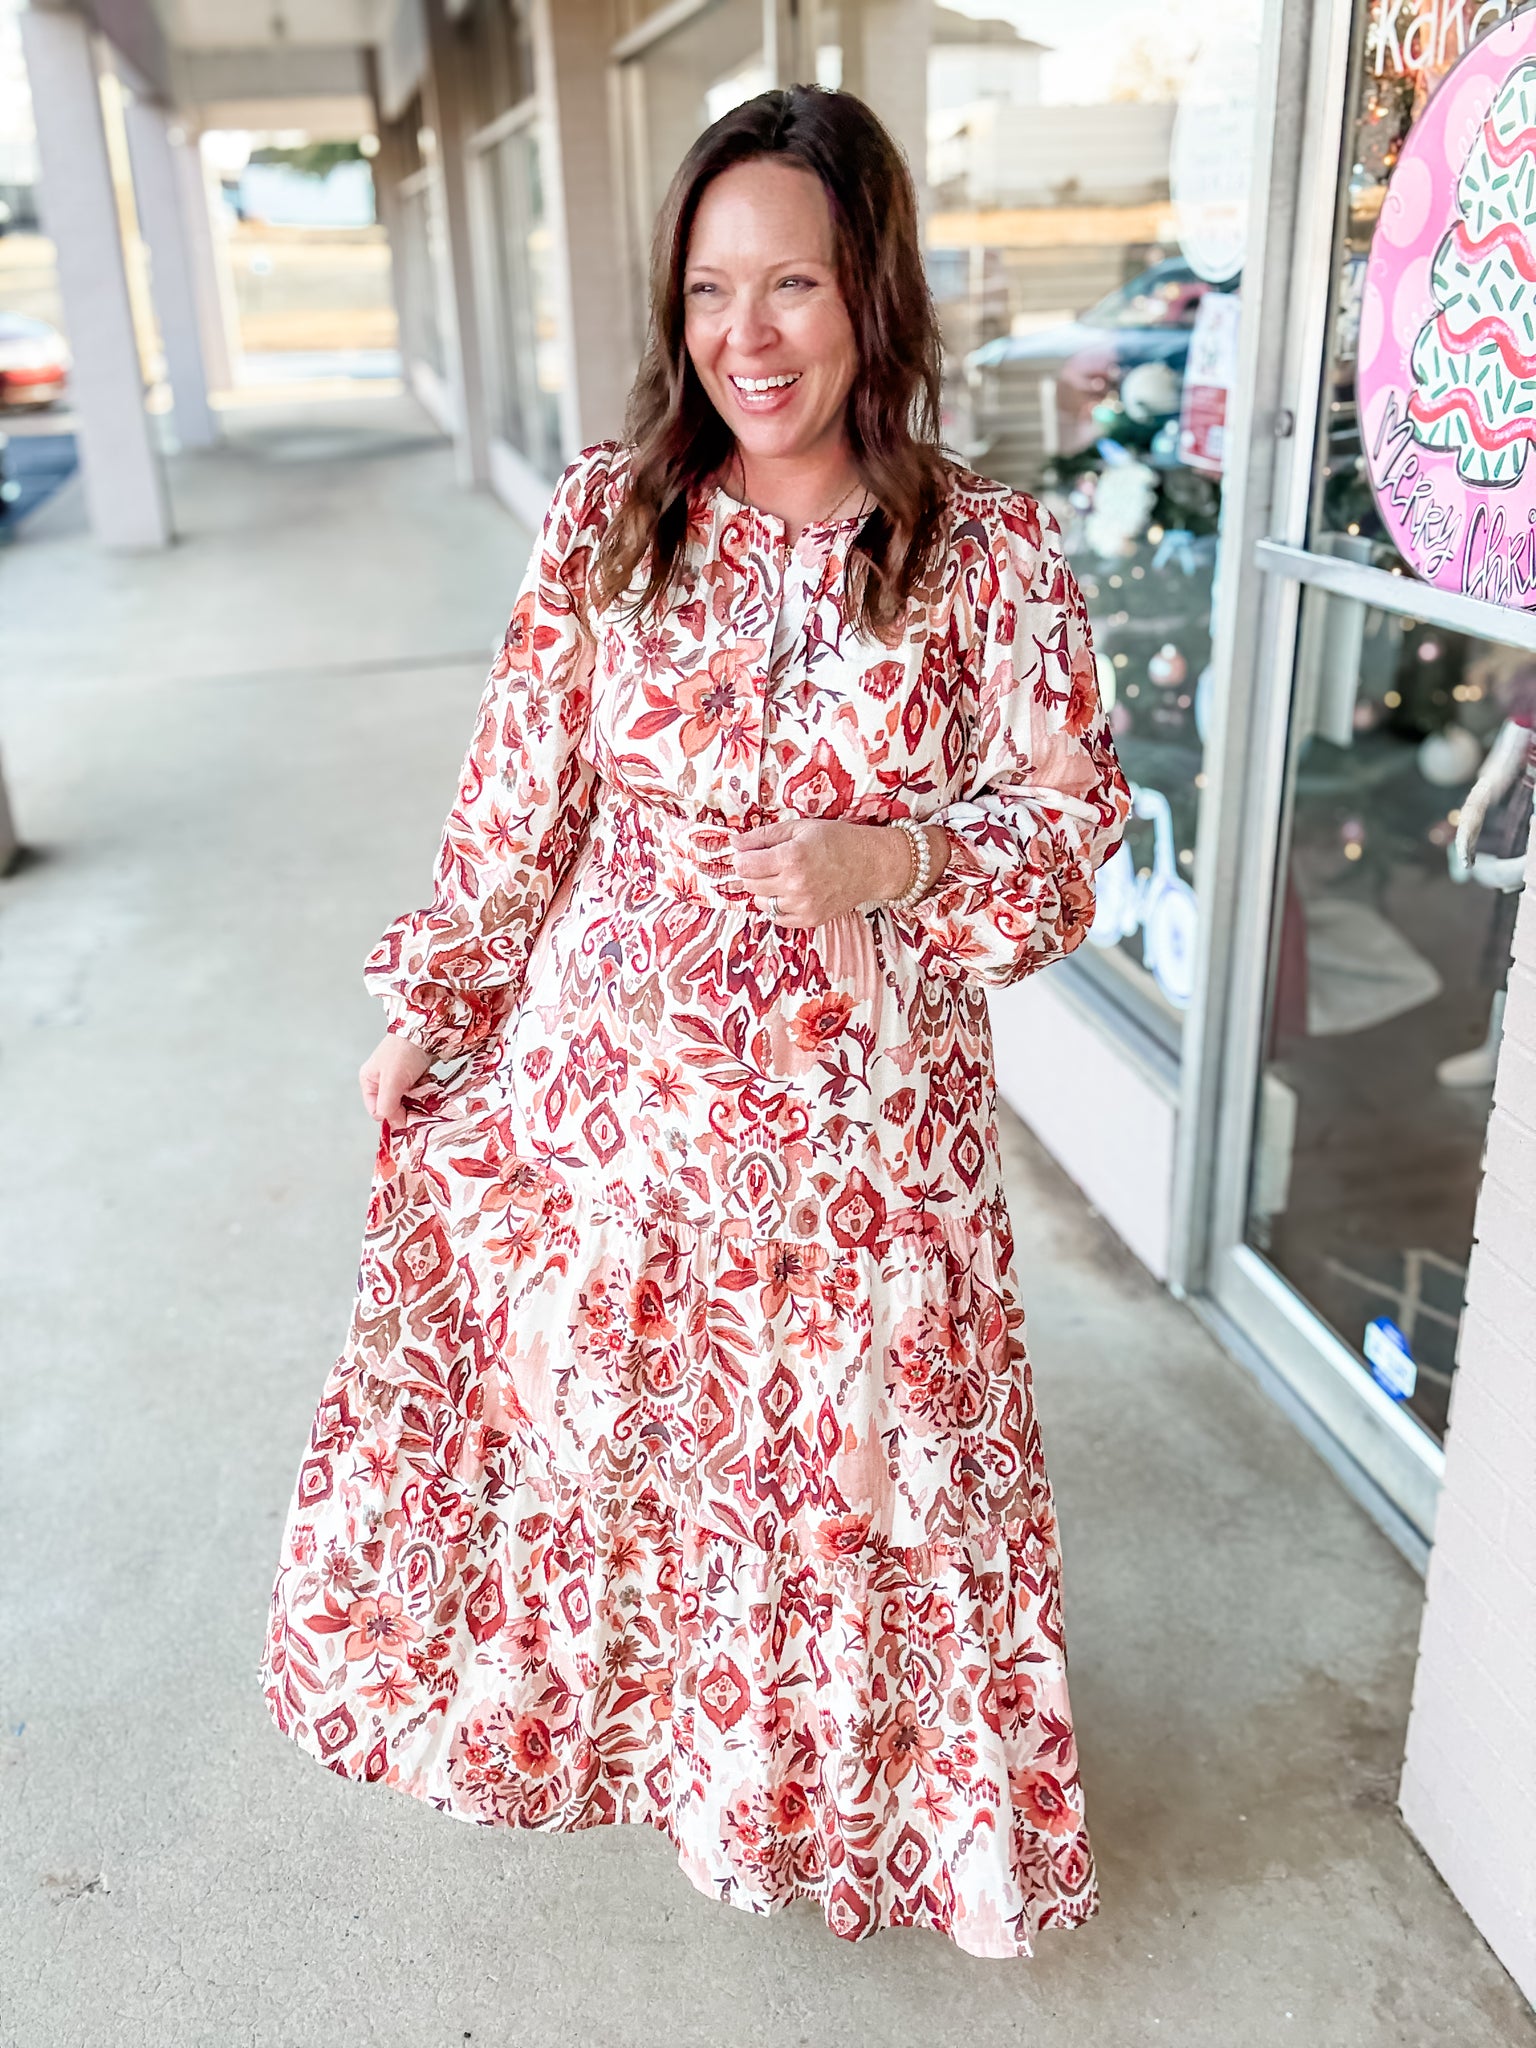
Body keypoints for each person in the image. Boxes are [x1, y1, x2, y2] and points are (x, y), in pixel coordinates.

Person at [259, 84, 1131, 1960]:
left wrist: (888, 858)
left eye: (795, 287)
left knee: (834, 1499)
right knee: (643, 1479)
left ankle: (838, 1825)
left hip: (859, 1167)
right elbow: (519, 803)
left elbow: (1069, 844)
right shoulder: (613, 516)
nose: (748, 338)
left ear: (872, 295)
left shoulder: (992, 563)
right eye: (711, 291)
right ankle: (679, 1768)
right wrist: (440, 997)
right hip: (618, 1121)